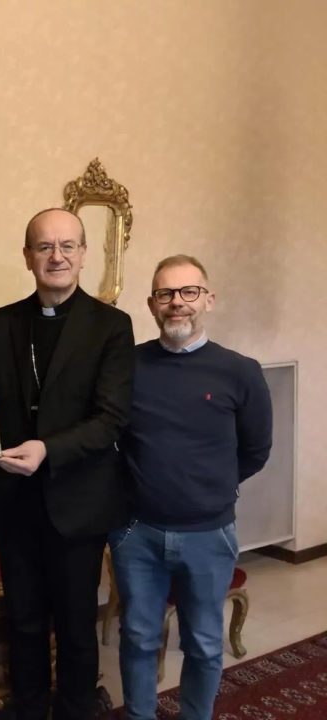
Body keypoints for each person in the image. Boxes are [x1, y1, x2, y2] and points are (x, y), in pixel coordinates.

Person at [0, 208, 135, 720]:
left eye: (67, 246)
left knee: (77, 623)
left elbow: (111, 419)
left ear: (83, 255)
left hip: (78, 503)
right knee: (24, 621)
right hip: (14, 503)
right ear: (27, 256)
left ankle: (77, 708)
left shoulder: (111, 326)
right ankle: (29, 707)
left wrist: (48, 450)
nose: (56, 256)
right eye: (44, 247)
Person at [112, 255, 272, 720]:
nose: (177, 302)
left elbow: (256, 450)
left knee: (203, 643)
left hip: (209, 534)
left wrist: (209, 488)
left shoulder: (240, 371)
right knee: (138, 637)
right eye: (165, 293)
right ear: (152, 304)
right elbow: (109, 438)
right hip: (137, 534)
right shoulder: (128, 366)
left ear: (209, 299)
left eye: (189, 292)